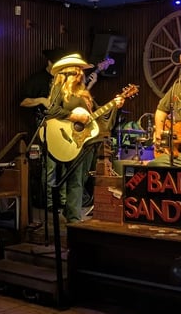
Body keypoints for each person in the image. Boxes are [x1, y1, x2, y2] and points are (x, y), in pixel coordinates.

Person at [44, 53, 124, 224]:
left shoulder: (84, 94)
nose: (80, 73)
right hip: (68, 138)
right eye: (75, 70)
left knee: (81, 178)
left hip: (87, 140)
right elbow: (51, 112)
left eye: (80, 70)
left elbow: (98, 115)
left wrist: (114, 105)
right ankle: (73, 218)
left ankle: (70, 210)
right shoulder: (59, 91)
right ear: (66, 72)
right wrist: (72, 116)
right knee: (75, 179)